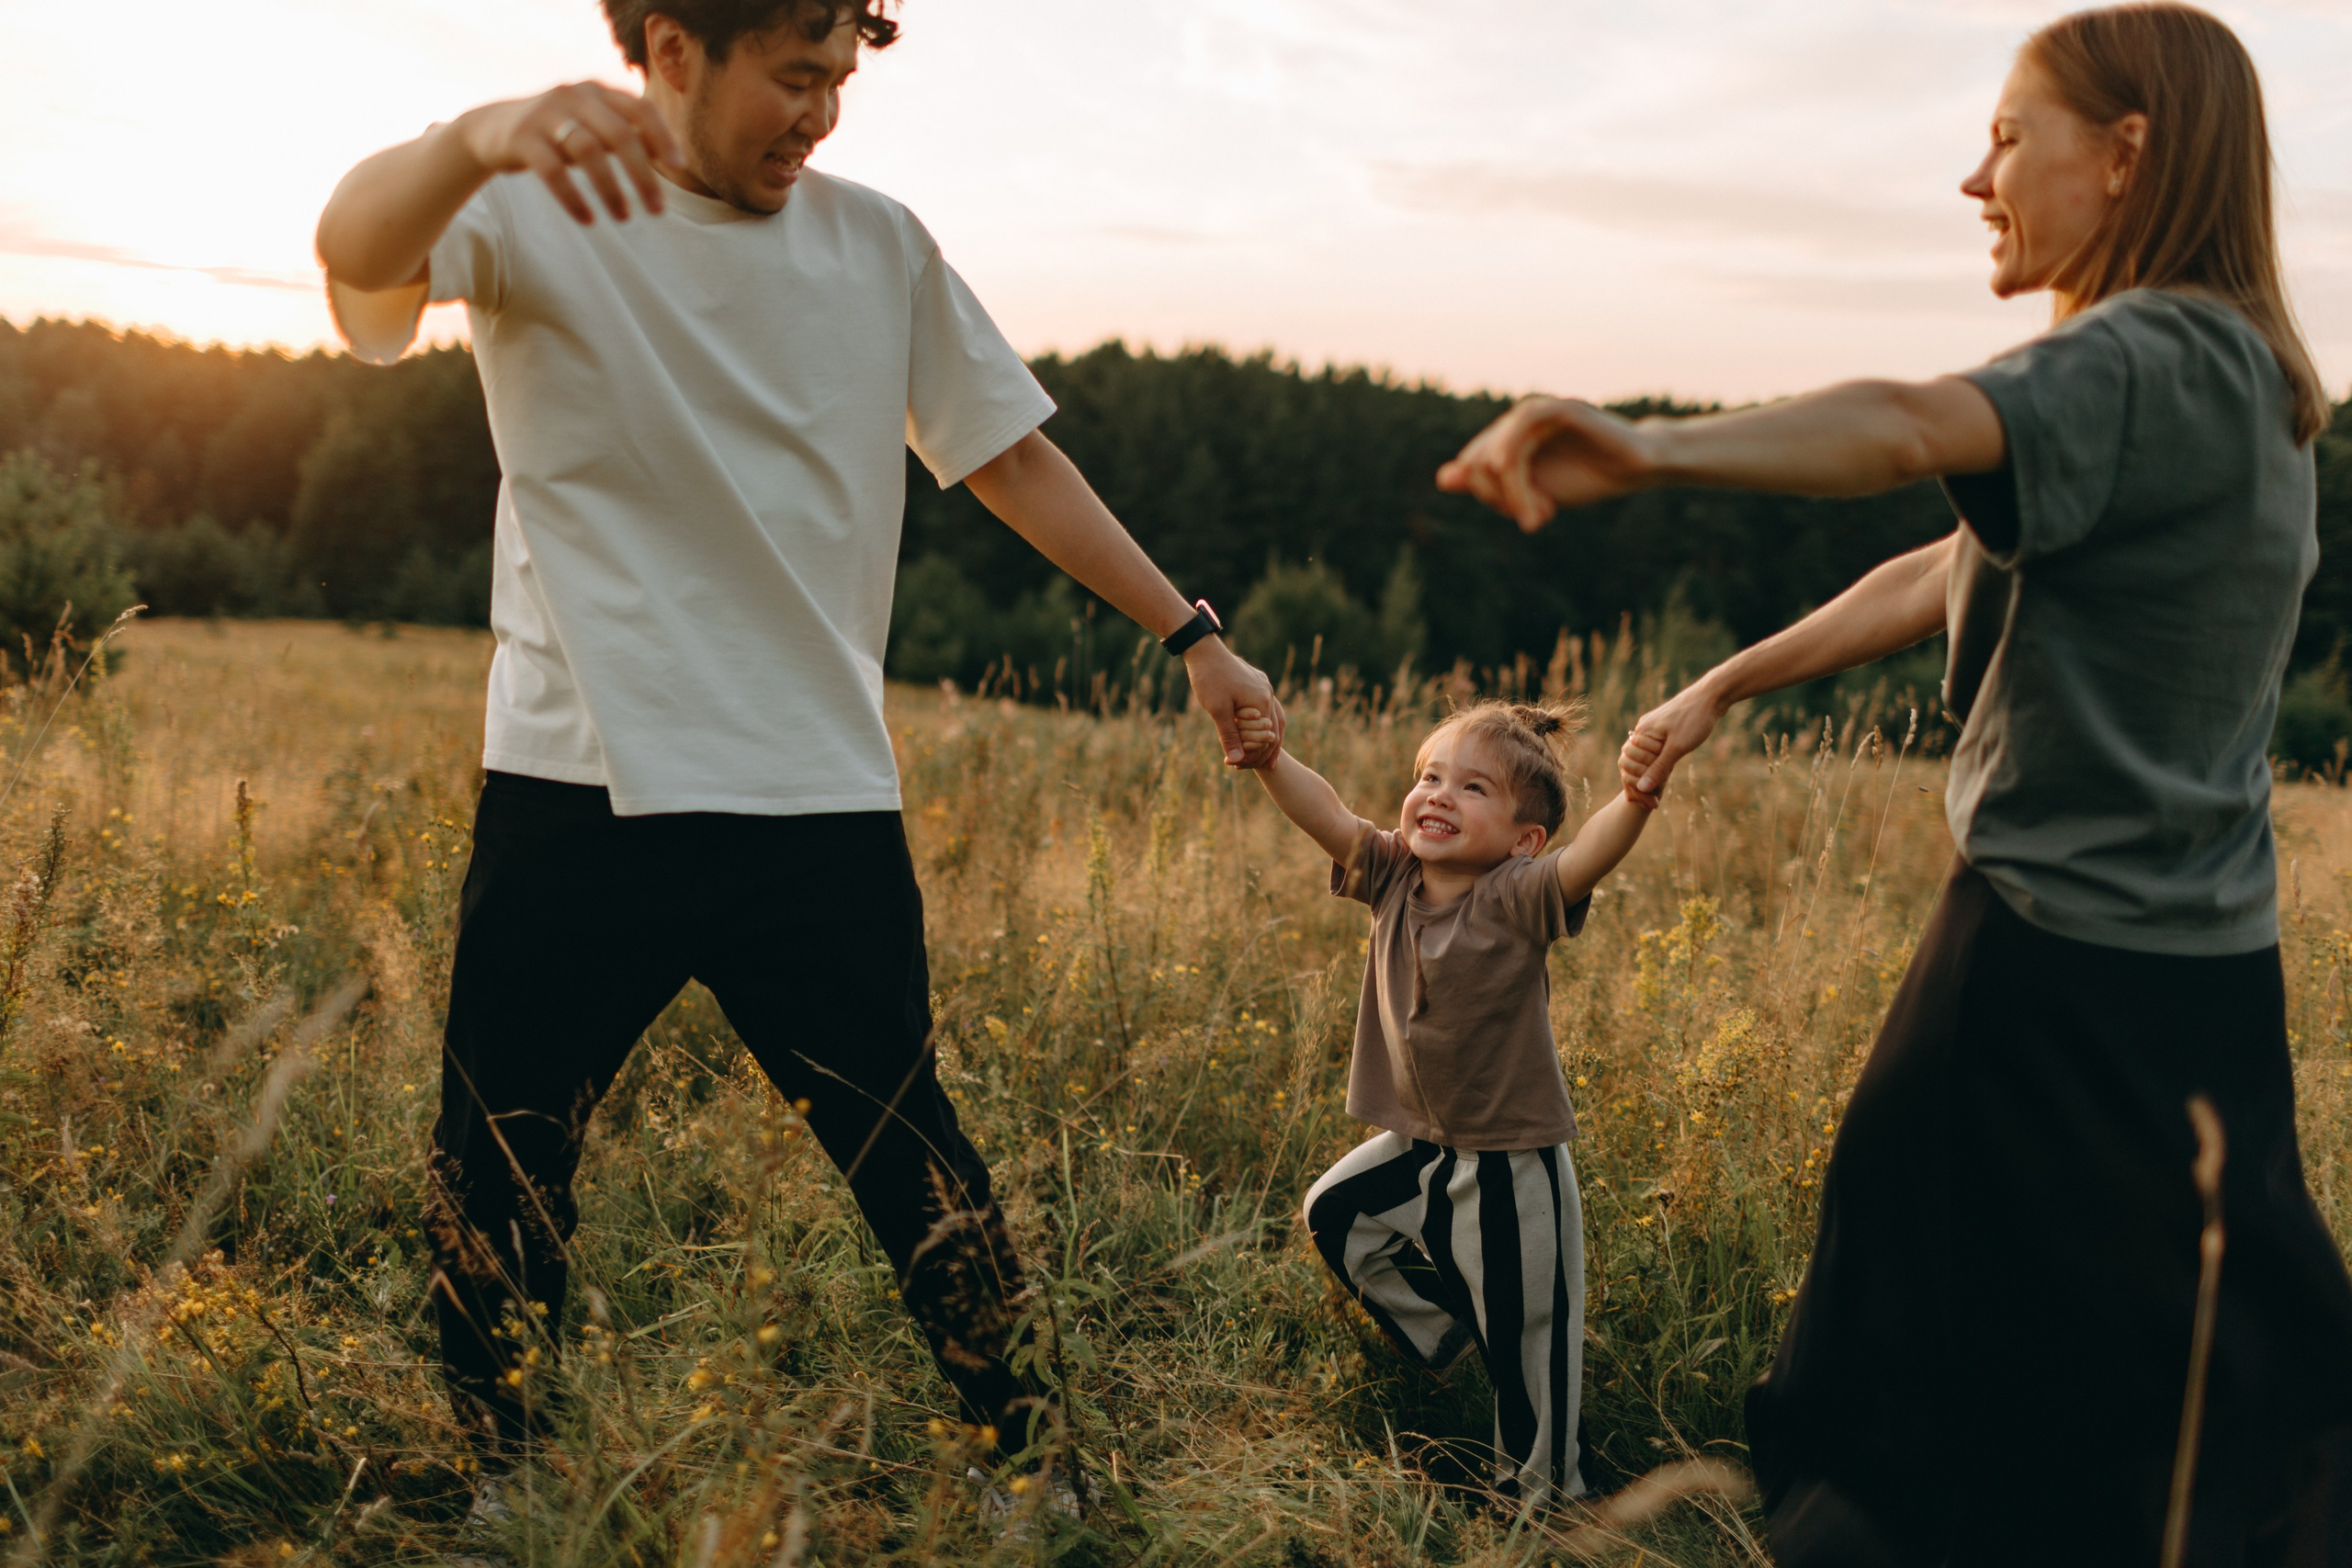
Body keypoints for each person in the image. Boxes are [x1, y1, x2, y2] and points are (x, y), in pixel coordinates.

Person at [311, 0, 1285, 1480]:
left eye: (841, 78)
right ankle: (499, 1488)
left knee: (918, 1161)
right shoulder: (528, 205)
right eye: (795, 76)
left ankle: (1038, 1474)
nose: (824, 113)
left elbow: (1009, 453)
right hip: (581, 790)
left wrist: (1193, 637)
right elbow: (355, 252)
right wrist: (472, 137)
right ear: (672, 48)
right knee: (498, 1167)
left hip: (812, 793)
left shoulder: (878, 243)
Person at [1436, 4, 2352, 1561]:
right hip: (2203, 983)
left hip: (2046, 974)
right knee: (2196, 1388)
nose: (1974, 177)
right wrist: (1730, 677)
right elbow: (1947, 558)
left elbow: (1913, 420)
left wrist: (1651, 446)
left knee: (1904, 1392)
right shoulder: (2233, 378)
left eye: (2010, 135)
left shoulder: (2144, 353)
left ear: (2128, 155)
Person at [1235, 698, 1653, 1505]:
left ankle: (1543, 1502)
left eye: (1471, 788)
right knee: (1335, 1215)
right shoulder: (1391, 872)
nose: (1436, 795)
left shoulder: (1518, 895)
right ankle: (1456, 1342)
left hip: (1511, 1162)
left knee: (1536, 1342)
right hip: (1420, 1143)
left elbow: (1587, 860)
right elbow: (1324, 811)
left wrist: (1634, 800)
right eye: (1428, 777)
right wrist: (1269, 759)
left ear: (1523, 840)